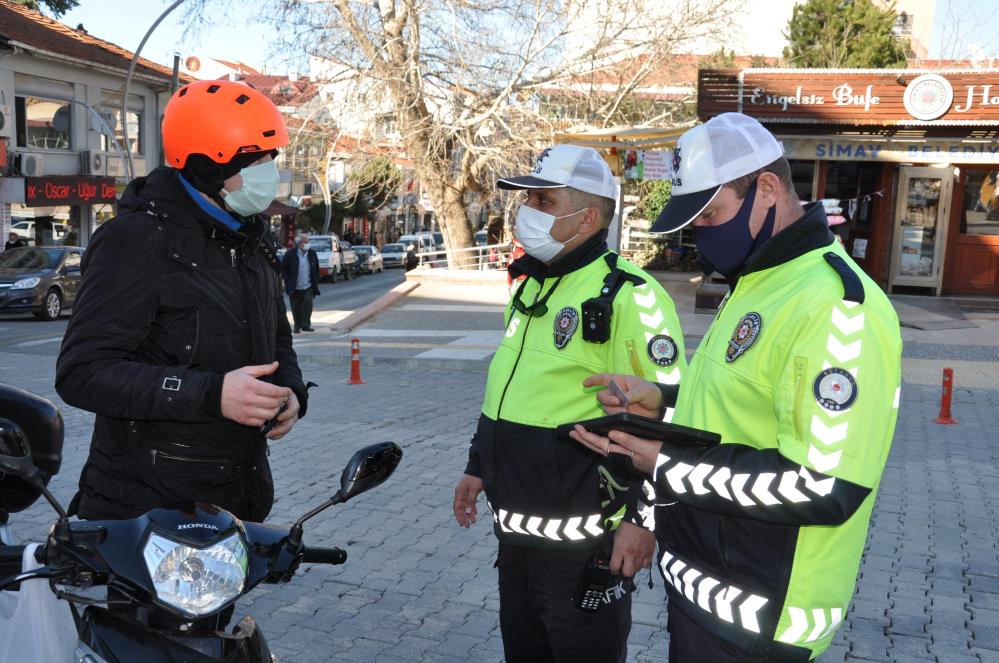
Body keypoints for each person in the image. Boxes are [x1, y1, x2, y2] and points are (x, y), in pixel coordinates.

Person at [567, 113, 902, 662]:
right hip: (705, 591)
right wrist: (661, 400)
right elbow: (743, 409)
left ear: (766, 189)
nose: (701, 235)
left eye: (711, 215)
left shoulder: (837, 308)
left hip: (761, 620)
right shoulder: (756, 281)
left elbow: (825, 485)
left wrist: (663, 464)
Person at [452, 145, 687, 663]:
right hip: (516, 539)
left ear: (587, 216)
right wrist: (477, 465)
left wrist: (644, 521)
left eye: (542, 199)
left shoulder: (631, 295)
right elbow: (508, 388)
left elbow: (671, 417)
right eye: (527, 199)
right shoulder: (531, 286)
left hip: (586, 550)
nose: (527, 211)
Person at [56, 79, 309, 523]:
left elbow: (278, 341)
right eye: (255, 160)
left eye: (272, 158)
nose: (269, 172)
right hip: (144, 512)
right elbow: (83, 373)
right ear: (205, 167)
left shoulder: (252, 237)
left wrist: (292, 393)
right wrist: (211, 395)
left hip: (231, 502)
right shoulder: (134, 242)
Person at [282, 233, 320, 332]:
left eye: (308, 242)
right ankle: (297, 326)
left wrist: (316, 280)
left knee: (307, 304)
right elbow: (284, 268)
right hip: (295, 286)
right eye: (306, 242)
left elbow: (316, 268)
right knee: (296, 306)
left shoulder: (312, 253)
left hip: (308, 285)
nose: (308, 244)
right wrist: (286, 280)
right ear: (299, 243)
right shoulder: (290, 254)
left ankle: (306, 325)